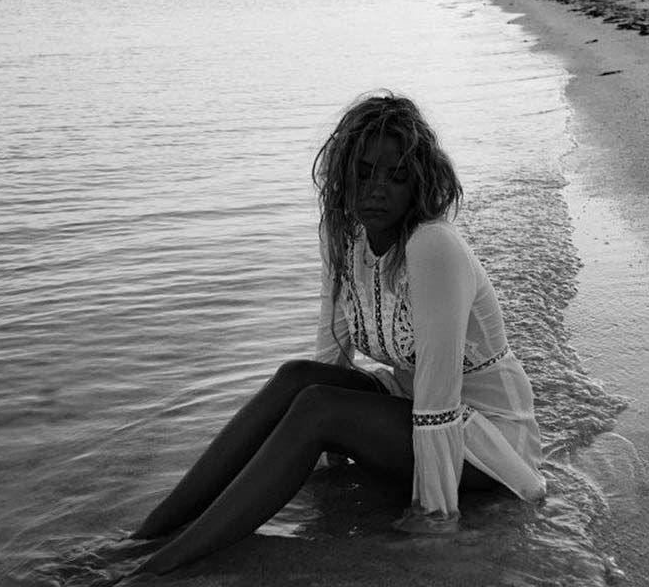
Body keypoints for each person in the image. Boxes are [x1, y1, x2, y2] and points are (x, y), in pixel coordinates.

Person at [130, 91, 546, 574]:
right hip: (412, 404)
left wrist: (435, 516)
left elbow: (439, 399)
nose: (377, 190)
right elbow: (328, 360)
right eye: (364, 173)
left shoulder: (433, 245)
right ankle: (144, 538)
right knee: (297, 378)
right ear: (344, 176)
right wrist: (328, 455)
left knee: (319, 407)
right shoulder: (346, 237)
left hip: (487, 439)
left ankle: (155, 571)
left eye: (396, 176)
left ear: (419, 183)